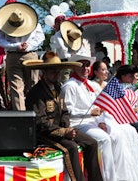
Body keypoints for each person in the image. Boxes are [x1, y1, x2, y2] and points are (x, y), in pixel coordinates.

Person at [24, 51, 103, 181]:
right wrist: (64, 132)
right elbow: (40, 122)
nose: (57, 74)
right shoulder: (36, 92)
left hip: (62, 130)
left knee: (92, 143)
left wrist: (68, 129)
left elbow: (64, 112)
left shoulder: (58, 88)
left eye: (58, 71)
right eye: (53, 72)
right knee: (70, 147)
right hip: (43, 134)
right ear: (44, 73)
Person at [89, 60, 138, 180]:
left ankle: (130, 169)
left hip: (112, 114)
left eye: (107, 69)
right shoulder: (92, 85)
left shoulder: (109, 84)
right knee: (119, 134)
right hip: (101, 116)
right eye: (102, 70)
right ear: (96, 72)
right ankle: (116, 172)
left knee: (129, 130)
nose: (106, 72)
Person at [0, 0, 44, 110]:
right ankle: (34, 115)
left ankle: (23, 117)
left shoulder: (2, 23)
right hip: (27, 55)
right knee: (31, 86)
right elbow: (40, 36)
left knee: (18, 88)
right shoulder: (32, 20)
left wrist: (19, 46)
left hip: (15, 55)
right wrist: (26, 45)